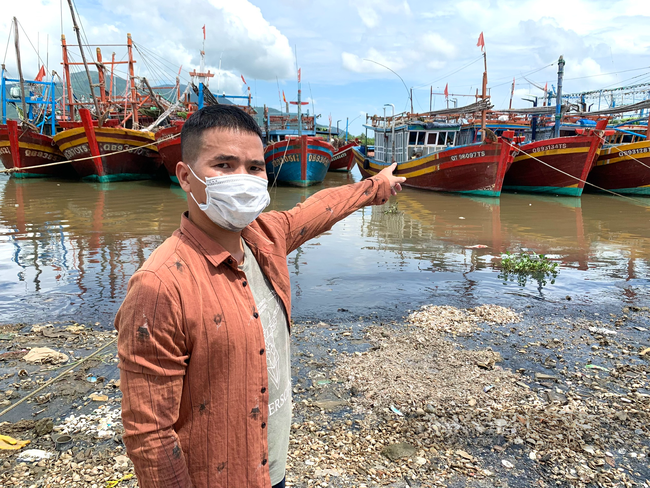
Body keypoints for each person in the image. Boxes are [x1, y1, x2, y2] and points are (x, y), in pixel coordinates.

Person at [115, 105, 405, 488]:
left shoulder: (265, 237)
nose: (244, 179)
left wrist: (375, 186)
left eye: (254, 168)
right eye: (224, 165)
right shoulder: (159, 286)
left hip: (271, 464)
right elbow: (149, 434)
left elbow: (320, 209)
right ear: (186, 177)